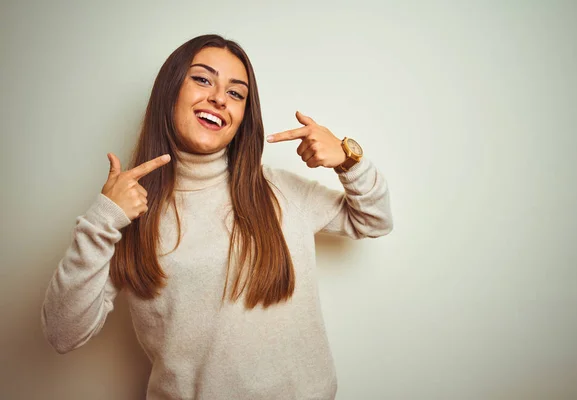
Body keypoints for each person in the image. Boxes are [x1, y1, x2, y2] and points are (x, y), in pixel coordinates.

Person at [41, 34, 393, 400]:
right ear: (170, 90)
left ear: (242, 117)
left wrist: (349, 161)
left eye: (236, 93)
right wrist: (103, 218)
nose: (219, 98)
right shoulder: (129, 210)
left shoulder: (280, 190)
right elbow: (63, 334)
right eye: (202, 79)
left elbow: (375, 220)